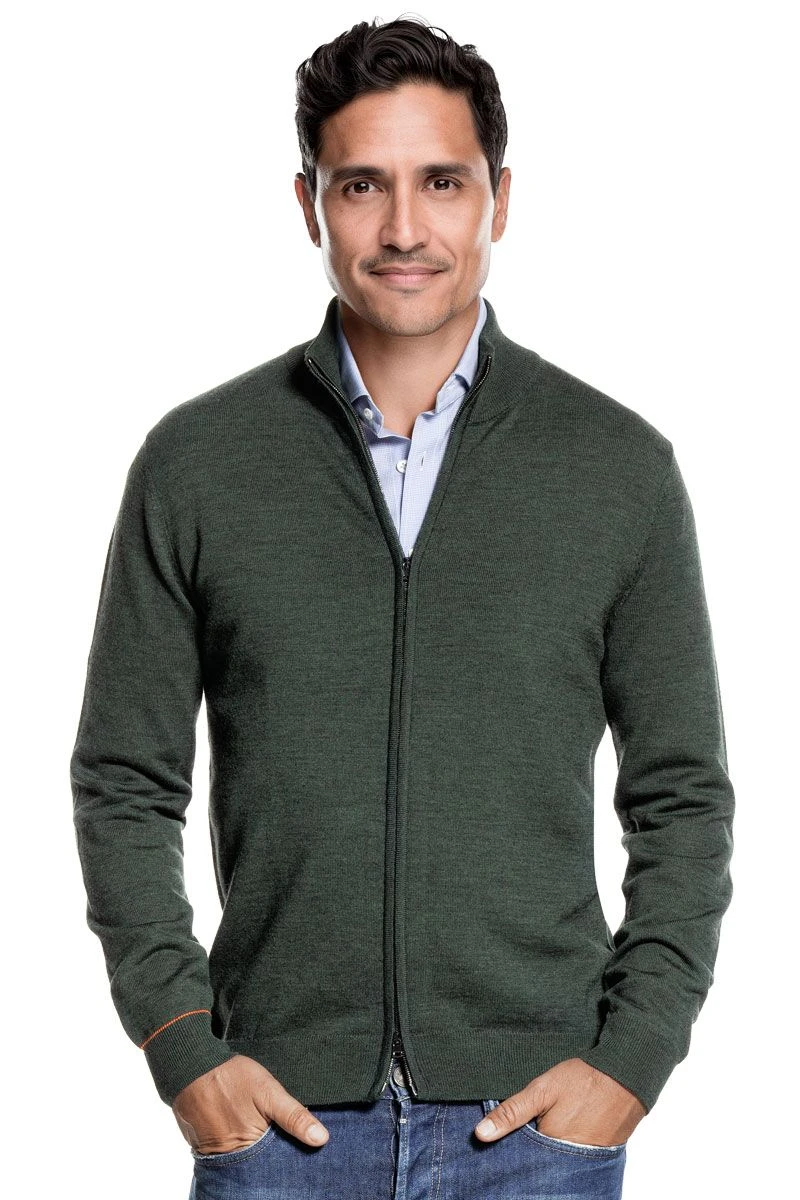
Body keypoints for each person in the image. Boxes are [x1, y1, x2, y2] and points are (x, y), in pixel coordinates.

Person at [70, 15, 735, 1200]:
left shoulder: (616, 467)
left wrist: (630, 1060)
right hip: (275, 1126)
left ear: (498, 199)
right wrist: (182, 1048)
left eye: (441, 181)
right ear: (308, 205)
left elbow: (680, 795)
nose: (402, 229)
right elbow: (125, 779)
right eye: (360, 185)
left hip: (535, 1128)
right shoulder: (199, 462)